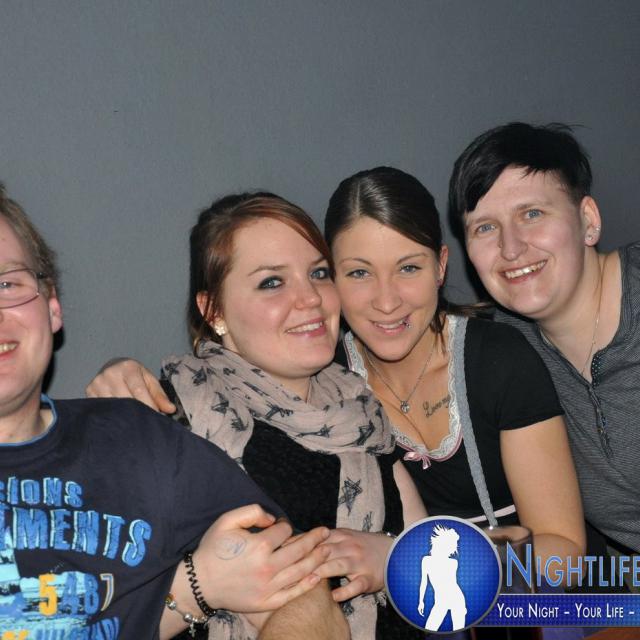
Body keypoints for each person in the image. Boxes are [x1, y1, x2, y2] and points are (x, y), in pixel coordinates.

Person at [0, 183, 337, 640]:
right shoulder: (180, 401)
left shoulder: (137, 436)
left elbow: (300, 589)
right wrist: (191, 589)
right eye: (271, 281)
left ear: (52, 305)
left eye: (8, 284)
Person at [89, 192, 426, 640]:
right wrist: (202, 586)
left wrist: (395, 559)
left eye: (318, 273)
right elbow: (95, 617)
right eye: (272, 282)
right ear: (214, 311)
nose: (310, 298)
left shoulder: (363, 417)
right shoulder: (170, 419)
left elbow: (448, 594)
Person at [324, 166, 585, 578]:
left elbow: (564, 556)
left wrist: (403, 563)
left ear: (440, 267)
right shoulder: (326, 384)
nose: (387, 301)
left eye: (408, 268)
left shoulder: (498, 359)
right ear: (330, 278)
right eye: (359, 273)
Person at [448, 122, 640, 560]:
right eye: (484, 227)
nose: (511, 248)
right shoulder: (503, 350)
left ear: (587, 220)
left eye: (532, 214)